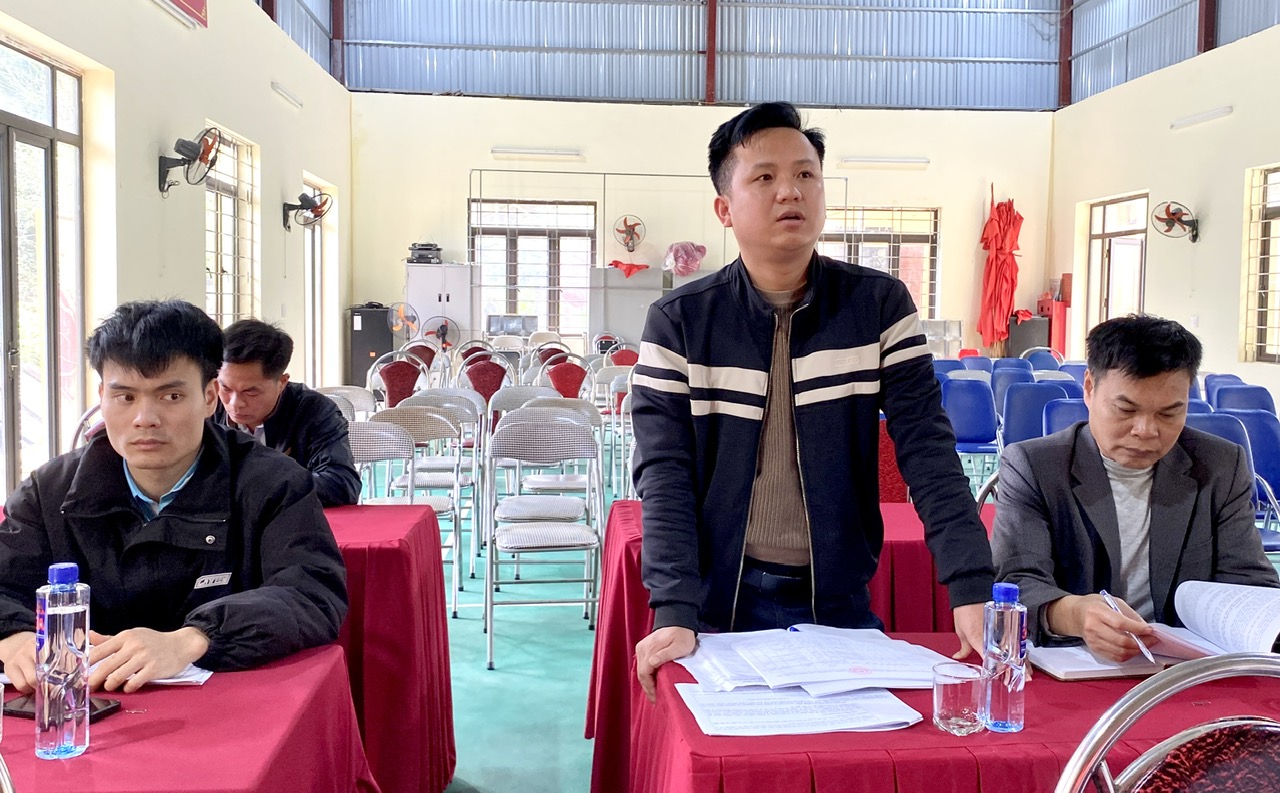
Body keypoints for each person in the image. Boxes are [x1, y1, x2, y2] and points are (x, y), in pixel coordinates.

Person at [631, 102, 994, 700]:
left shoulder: (877, 305)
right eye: (764, 177)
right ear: (725, 208)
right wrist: (674, 606)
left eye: (806, 174)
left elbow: (927, 449)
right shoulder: (680, 321)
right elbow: (664, 473)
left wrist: (972, 586)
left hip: (839, 599)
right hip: (720, 602)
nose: (790, 191)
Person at [0, 300, 349, 693]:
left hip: (231, 707)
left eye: (171, 397)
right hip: (86, 707)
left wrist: (193, 638)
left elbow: (313, 593)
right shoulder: (50, 491)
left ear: (210, 397)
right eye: (125, 397)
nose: (144, 419)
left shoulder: (272, 484)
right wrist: (13, 636)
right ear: (102, 396)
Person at [993, 314, 1279, 661]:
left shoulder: (1218, 465)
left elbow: (1249, 583)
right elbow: (1018, 582)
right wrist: (1076, 615)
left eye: (1169, 414)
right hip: (1077, 662)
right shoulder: (1035, 466)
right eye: (1126, 410)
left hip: (1185, 667)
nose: (1146, 430)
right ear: (1089, 388)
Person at [215, 318, 360, 507]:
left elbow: (341, 484)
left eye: (250, 391)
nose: (235, 403)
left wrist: (260, 486)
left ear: (282, 383)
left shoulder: (314, 410)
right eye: (225, 388)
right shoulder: (205, 405)